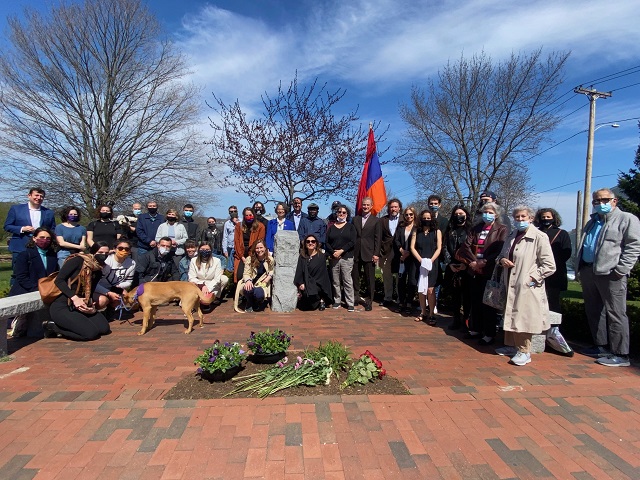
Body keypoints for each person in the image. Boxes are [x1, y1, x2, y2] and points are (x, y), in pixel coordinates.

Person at [576, 188, 640, 367]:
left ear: (614, 201)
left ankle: (621, 354)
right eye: (596, 201)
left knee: (616, 313)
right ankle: (601, 346)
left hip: (611, 274)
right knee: (594, 311)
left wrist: (621, 269)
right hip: (589, 271)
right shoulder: (593, 221)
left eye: (605, 200)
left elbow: (633, 246)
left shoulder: (626, 219)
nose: (600, 203)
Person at [496, 206, 556, 366]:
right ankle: (512, 346)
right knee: (511, 313)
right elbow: (501, 255)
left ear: (530, 218)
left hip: (527, 285)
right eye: (517, 217)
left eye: (523, 217)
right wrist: (502, 261)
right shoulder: (511, 235)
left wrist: (532, 277)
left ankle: (524, 351)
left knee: (523, 318)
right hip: (510, 280)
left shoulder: (539, 237)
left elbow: (549, 265)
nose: (520, 220)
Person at [456, 202, 508, 345]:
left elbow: (499, 250)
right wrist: (473, 262)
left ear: (496, 214)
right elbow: (466, 246)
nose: (487, 215)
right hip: (473, 270)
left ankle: (489, 333)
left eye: (491, 212)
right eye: (485, 212)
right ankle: (476, 329)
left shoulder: (502, 229)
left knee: (488, 303)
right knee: (475, 301)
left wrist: (483, 262)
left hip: (489, 271)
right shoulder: (476, 228)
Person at [45, 243, 111, 341]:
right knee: (90, 334)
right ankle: (54, 328)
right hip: (64, 305)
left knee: (104, 329)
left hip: (81, 306)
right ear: (92, 252)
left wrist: (91, 307)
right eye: (100, 252)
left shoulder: (97, 270)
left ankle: (78, 323)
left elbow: (90, 292)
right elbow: (59, 280)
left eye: (106, 253)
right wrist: (74, 298)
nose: (103, 255)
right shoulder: (77, 260)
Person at [534, 208, 574, 356]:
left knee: (553, 303)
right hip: (537, 274)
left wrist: (550, 263)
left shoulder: (562, 234)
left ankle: (553, 333)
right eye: (543, 217)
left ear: (554, 218)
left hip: (555, 274)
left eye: (548, 217)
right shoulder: (536, 232)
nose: (545, 219)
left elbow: (566, 252)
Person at [4, 187, 56, 285]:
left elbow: (53, 229)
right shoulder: (16, 209)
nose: (39, 198)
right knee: (18, 273)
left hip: (41, 248)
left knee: (40, 272)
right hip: (20, 245)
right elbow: (7, 226)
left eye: (41, 196)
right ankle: (15, 295)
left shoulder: (48, 212)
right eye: (36, 195)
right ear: (29, 196)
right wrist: (22, 229)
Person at [443, 205, 472, 331]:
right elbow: (445, 247)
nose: (458, 216)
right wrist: (450, 263)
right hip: (453, 267)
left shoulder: (471, 230)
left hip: (467, 268)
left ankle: (467, 320)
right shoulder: (450, 230)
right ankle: (456, 319)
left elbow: (472, 249)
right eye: (456, 214)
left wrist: (465, 264)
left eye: (461, 213)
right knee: (455, 296)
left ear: (466, 215)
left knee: (467, 297)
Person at [410, 210, 442, 324]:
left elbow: (439, 247)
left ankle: (432, 313)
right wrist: (420, 260)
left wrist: (430, 261)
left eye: (429, 218)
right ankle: (423, 312)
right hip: (419, 262)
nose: (426, 220)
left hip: (432, 263)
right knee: (421, 289)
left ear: (432, 219)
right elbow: (412, 247)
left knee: (430, 289)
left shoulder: (437, 231)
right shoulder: (416, 231)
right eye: (424, 218)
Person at [325, 205, 357, 312]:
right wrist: (333, 252)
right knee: (335, 281)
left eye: (344, 212)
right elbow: (327, 242)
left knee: (347, 280)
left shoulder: (350, 227)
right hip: (334, 257)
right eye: (339, 212)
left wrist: (341, 250)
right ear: (336, 213)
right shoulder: (331, 227)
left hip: (346, 257)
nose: (341, 214)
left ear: (347, 214)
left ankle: (350, 302)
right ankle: (337, 300)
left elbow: (353, 241)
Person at [9, 227, 58, 296]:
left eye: (48, 238)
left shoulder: (52, 256)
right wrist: (37, 289)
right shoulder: (24, 255)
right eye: (42, 237)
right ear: (34, 238)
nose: (45, 240)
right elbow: (21, 277)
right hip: (25, 293)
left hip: (46, 293)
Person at [352, 197, 381, 311]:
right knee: (355, 277)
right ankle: (356, 297)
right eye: (364, 205)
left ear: (371, 206)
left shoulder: (376, 221)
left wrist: (376, 253)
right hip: (356, 252)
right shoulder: (355, 219)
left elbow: (377, 239)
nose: (365, 207)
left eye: (367, 205)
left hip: (369, 253)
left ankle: (369, 301)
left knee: (369, 279)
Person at [94, 240, 136, 310]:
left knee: (126, 296)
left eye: (127, 249)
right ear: (114, 249)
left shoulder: (132, 263)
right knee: (102, 301)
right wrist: (108, 292)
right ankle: (95, 312)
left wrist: (118, 287)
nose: (123, 250)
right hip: (99, 287)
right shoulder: (106, 261)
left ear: (129, 251)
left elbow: (129, 282)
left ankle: (110, 311)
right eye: (120, 248)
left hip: (114, 287)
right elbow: (94, 284)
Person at [294, 234, 332, 311]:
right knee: (303, 305)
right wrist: (301, 283)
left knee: (310, 293)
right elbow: (299, 271)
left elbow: (322, 275)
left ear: (316, 243)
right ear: (305, 244)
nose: (310, 243)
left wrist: (310, 284)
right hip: (306, 283)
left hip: (318, 284)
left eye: (313, 241)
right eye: (308, 241)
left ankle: (322, 299)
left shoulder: (320, 257)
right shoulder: (302, 256)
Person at [394, 206, 419, 315]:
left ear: (414, 215)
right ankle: (401, 303)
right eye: (407, 214)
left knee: (412, 281)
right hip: (402, 257)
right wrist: (401, 251)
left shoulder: (418, 227)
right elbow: (396, 240)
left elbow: (419, 242)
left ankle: (409, 303)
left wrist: (409, 252)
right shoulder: (401, 226)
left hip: (413, 258)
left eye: (411, 214)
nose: (409, 216)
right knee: (401, 281)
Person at [379, 198, 402, 309]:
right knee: (386, 275)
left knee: (399, 276)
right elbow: (379, 237)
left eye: (395, 207)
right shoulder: (383, 220)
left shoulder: (404, 219)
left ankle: (399, 298)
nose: (393, 209)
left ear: (399, 208)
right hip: (386, 251)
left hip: (400, 251)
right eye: (391, 207)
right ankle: (388, 297)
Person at [233, 208, 266, 282]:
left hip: (253, 253)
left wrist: (250, 257)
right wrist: (242, 257)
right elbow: (236, 242)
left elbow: (259, 242)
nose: (248, 217)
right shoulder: (239, 226)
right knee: (239, 275)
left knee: (252, 274)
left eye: (250, 215)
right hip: (241, 254)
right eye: (246, 215)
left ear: (254, 215)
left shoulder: (260, 226)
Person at [241, 239, 274, 312]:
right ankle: (250, 302)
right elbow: (246, 273)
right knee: (247, 289)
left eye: (261, 247)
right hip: (251, 282)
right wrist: (248, 280)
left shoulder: (270, 260)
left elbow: (272, 270)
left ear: (265, 248)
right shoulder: (249, 259)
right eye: (257, 248)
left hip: (262, 283)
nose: (259, 250)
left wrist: (269, 277)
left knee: (259, 294)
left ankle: (256, 302)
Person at [222, 206, 239, 273]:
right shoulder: (227, 223)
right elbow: (225, 236)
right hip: (230, 247)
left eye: (235, 211)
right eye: (231, 212)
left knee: (237, 266)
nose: (233, 213)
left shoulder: (241, 221)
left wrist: (237, 223)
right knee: (229, 267)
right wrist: (224, 250)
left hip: (238, 247)